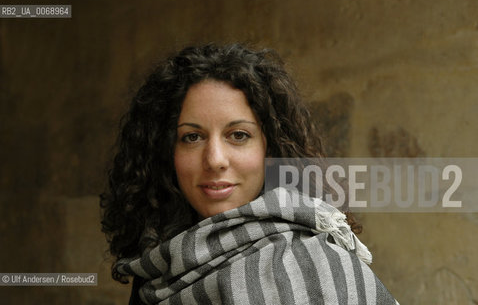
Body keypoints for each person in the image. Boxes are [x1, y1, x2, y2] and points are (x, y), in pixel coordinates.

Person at [100, 43, 398, 304]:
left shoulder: (318, 267)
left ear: (270, 149)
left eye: (238, 135)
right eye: (192, 137)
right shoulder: (159, 270)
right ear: (165, 153)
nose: (215, 159)